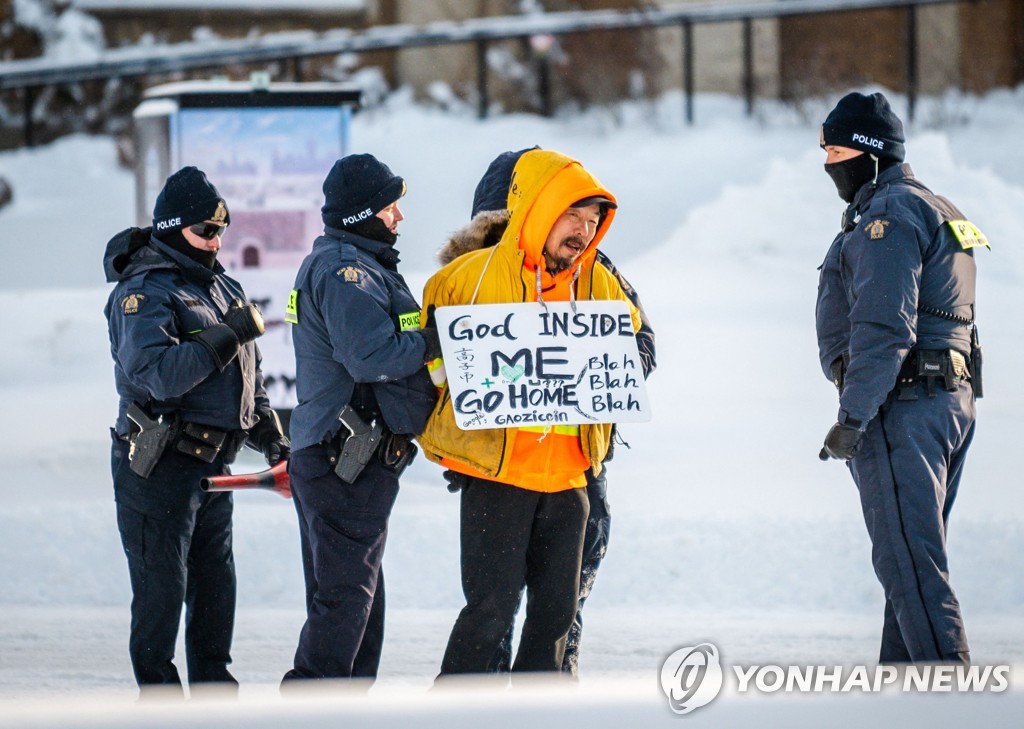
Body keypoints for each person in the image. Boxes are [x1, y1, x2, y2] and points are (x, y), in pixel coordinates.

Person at [418, 148, 642, 677]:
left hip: (571, 481)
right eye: (572, 216)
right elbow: (425, 375)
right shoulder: (464, 279)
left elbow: (632, 347)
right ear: (539, 210)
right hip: (499, 478)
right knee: (489, 616)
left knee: (555, 624)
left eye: (593, 222)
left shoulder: (599, 283)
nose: (584, 232)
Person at [815, 92, 987, 664]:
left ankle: (951, 705)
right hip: (947, 404)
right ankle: (901, 704)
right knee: (910, 567)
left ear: (870, 153)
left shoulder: (888, 215)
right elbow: (958, 318)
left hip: (901, 407)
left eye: (837, 150)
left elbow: (884, 327)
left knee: (912, 572)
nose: (828, 164)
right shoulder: (940, 207)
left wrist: (854, 416)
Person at [104, 166, 290, 694]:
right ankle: (162, 706)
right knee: (162, 594)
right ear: (173, 226)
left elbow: (246, 376)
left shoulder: (220, 285)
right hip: (158, 464)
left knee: (214, 590)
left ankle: (214, 701)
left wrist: (271, 434)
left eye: (221, 231)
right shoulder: (141, 292)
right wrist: (226, 335)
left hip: (213, 465)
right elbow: (158, 376)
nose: (216, 241)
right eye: (205, 230)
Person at [281, 154, 438, 686]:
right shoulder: (346, 271)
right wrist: (435, 339)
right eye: (390, 207)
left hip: (348, 462)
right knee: (346, 606)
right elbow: (371, 356)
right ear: (362, 214)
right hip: (344, 461)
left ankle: (342, 707)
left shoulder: (359, 267)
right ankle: (312, 708)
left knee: (356, 608)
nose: (399, 218)